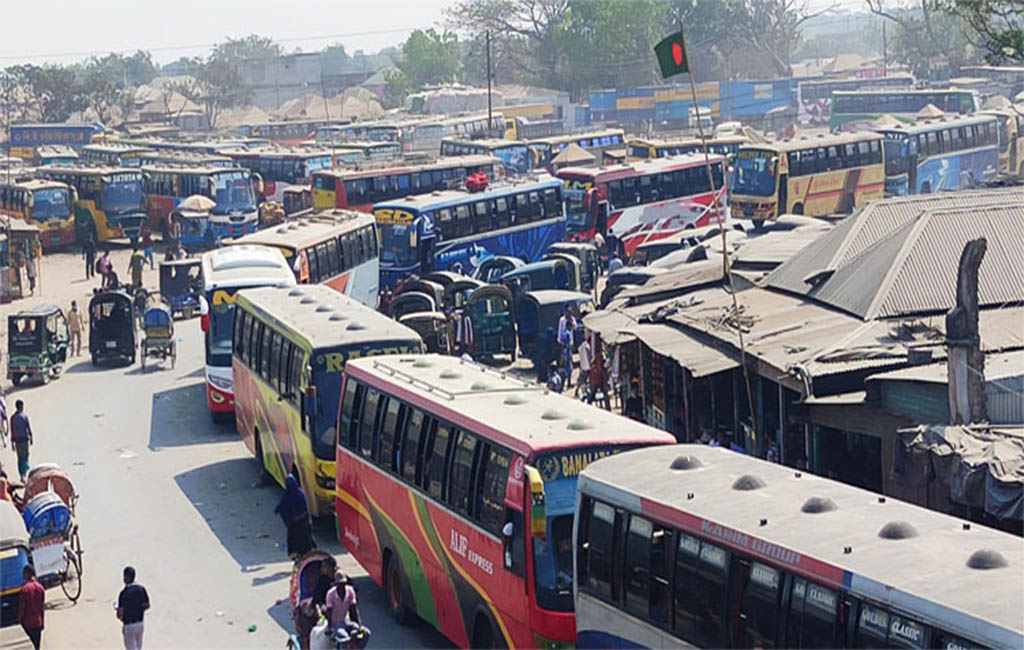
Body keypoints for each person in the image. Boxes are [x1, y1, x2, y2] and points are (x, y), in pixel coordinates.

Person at [274, 474, 315, 559]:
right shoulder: (300, 493)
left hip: (294, 524)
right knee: (306, 540)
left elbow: (280, 508)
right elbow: (305, 508)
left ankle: (297, 556)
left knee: (294, 541)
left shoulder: (287, 496)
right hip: (303, 522)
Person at [117, 566, 150, 650]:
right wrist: (138, 609)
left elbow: (120, 613)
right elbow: (147, 605)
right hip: (140, 624)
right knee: (138, 647)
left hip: (129, 626)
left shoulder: (123, 593)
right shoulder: (141, 589)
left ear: (126, 577)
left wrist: (119, 613)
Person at [19, 565, 44, 649]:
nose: (22, 574)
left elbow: (22, 607)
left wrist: (19, 619)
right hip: (38, 622)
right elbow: (42, 607)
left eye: (24, 573)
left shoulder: (24, 589)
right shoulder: (40, 587)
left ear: (28, 574)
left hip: (28, 622)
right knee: (37, 645)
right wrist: (43, 621)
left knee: (34, 643)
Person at [11, 399, 32, 481]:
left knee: (21, 457)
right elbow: (28, 427)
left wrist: (12, 442)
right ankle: (24, 473)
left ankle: (22, 474)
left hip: (18, 441)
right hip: (24, 439)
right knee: (25, 456)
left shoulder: (13, 418)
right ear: (20, 406)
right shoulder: (24, 416)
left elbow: (12, 430)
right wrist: (31, 437)